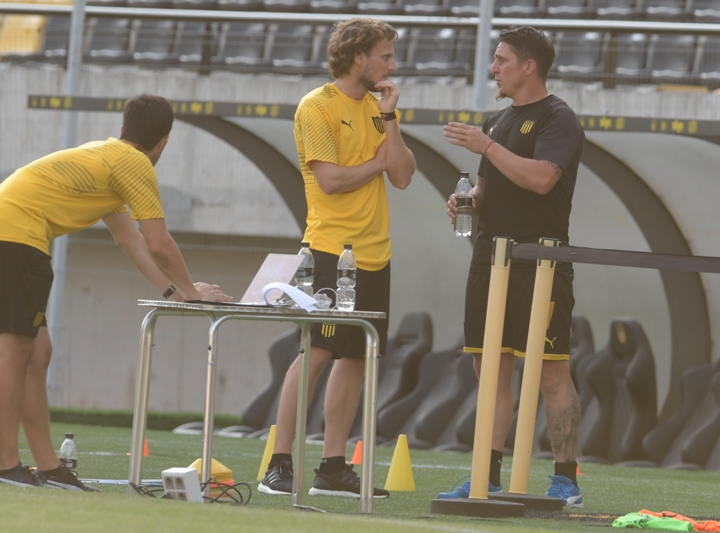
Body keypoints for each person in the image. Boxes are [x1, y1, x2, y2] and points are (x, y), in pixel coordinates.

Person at [0, 94, 232, 491]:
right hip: (17, 240)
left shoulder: (107, 157)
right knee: (15, 353)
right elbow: (158, 241)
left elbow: (131, 240)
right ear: (164, 141)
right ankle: (6, 466)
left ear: (124, 128)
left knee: (38, 354)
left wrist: (174, 290)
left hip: (13, 236)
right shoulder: (136, 164)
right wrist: (192, 292)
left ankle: (49, 468)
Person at [258, 17, 415, 499]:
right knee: (318, 353)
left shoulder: (376, 107)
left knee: (355, 358)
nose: (393, 64)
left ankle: (332, 467)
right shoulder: (317, 106)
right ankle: (278, 464)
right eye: (386, 55)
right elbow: (331, 180)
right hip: (330, 249)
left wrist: (389, 119)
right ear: (358, 57)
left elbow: (404, 176)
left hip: (375, 252)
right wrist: (377, 164)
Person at [438, 27, 585, 507]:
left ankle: (566, 481)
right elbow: (489, 189)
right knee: (490, 369)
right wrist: (467, 202)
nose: (493, 68)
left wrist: (485, 147)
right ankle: (488, 475)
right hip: (490, 258)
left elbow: (542, 179)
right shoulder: (497, 121)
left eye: (500, 59)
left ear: (529, 67)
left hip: (539, 261)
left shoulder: (558, 118)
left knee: (550, 373)